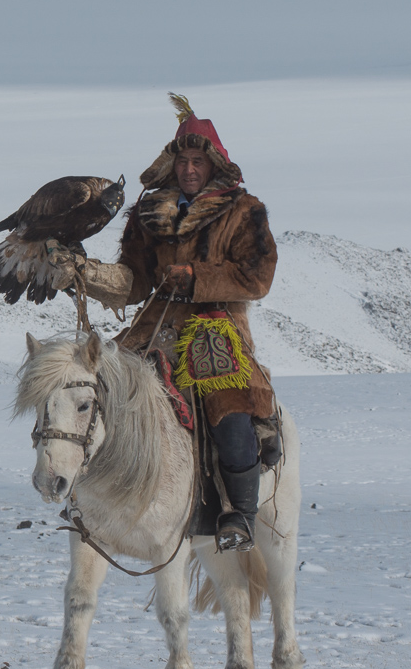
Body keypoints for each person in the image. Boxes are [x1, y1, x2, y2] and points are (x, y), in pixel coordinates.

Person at [65, 94, 277, 552]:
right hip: (153, 327)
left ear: (213, 164)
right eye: (182, 161)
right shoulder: (148, 215)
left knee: (229, 408)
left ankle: (238, 515)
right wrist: (86, 275)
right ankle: (91, 498)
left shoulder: (244, 211)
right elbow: (135, 281)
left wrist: (198, 278)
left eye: (197, 161)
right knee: (96, 391)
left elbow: (257, 278)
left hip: (216, 330)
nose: (188, 170)